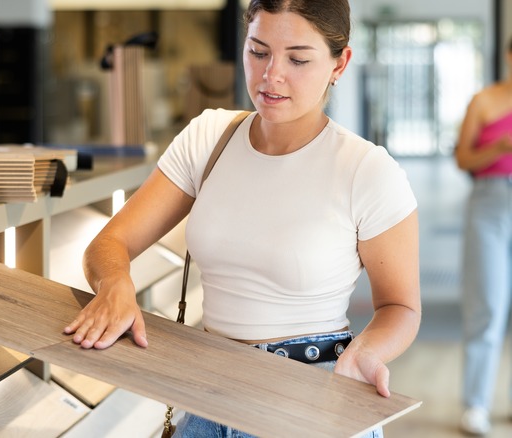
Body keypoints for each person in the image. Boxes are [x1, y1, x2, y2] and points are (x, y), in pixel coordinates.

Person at [64, 0, 421, 436]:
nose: (272, 75)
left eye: (298, 59)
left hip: (315, 396)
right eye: (258, 51)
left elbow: (400, 307)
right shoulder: (208, 137)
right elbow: (108, 244)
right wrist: (115, 283)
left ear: (339, 64)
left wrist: (367, 351)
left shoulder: (367, 171)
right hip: (207, 394)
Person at [454, 36, 512, 436]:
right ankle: (476, 405)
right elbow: (462, 158)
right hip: (490, 202)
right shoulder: (484, 101)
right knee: (487, 305)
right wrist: (500, 148)